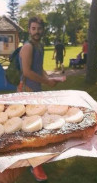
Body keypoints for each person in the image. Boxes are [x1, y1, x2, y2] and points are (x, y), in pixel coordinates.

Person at [18, 16, 58, 181]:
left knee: (37, 127)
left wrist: (48, 79)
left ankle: (35, 160)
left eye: (39, 29)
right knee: (31, 129)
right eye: (33, 28)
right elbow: (27, 72)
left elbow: (38, 68)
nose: (36, 32)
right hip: (27, 91)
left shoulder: (38, 46)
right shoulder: (28, 47)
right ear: (29, 30)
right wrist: (46, 81)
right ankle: (35, 166)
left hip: (36, 90)